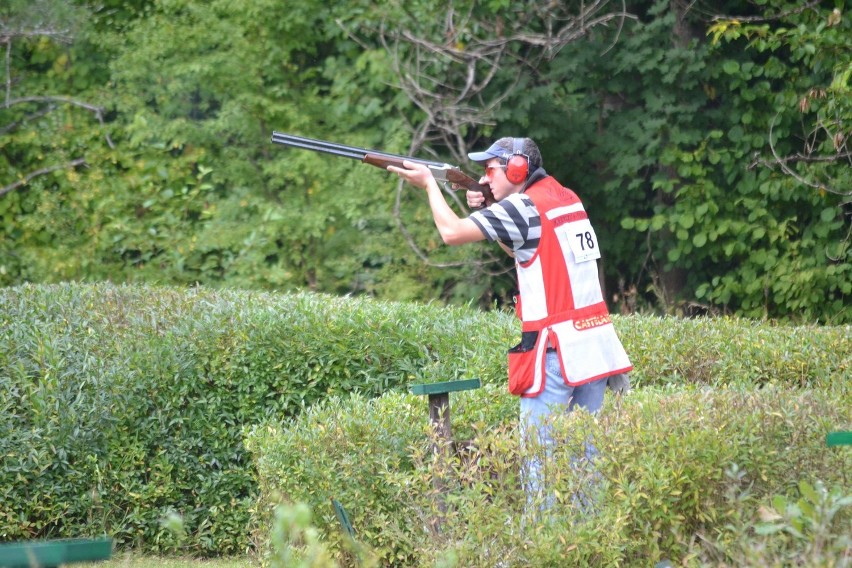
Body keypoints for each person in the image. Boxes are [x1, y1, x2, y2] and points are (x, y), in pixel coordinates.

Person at [388, 136, 632, 515]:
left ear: (518, 170)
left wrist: (429, 186)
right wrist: (491, 206)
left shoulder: (522, 206)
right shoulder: (565, 197)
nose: (486, 178)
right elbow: (528, 247)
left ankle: (538, 547)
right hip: (592, 351)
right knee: (588, 464)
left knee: (540, 465)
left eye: (492, 170)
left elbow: (451, 234)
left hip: (553, 354)